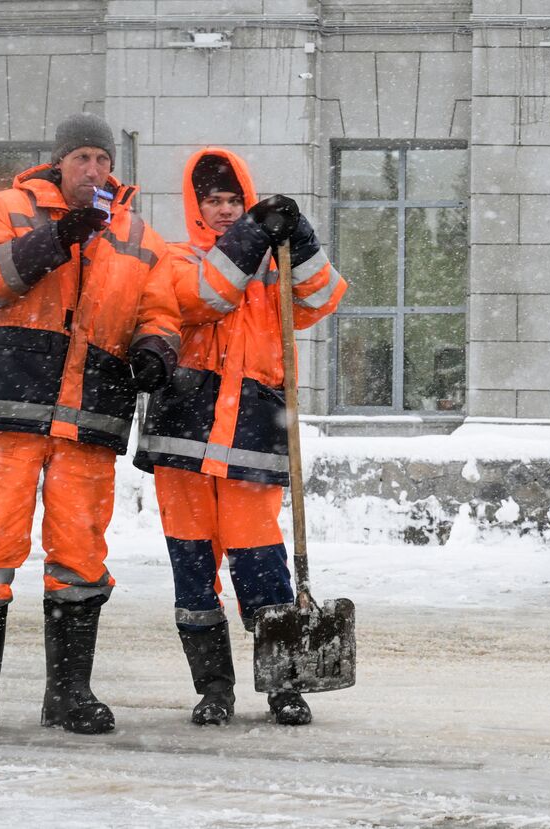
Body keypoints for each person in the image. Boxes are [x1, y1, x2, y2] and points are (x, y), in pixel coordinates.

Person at [0, 112, 181, 739]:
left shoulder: (139, 234)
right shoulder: (8, 208)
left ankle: (70, 696)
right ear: (59, 162)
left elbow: (160, 309)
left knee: (81, 553)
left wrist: (155, 348)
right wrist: (58, 237)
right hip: (14, 412)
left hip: (91, 417)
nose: (93, 169)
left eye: (102, 159)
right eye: (82, 157)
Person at [134, 147, 346, 726]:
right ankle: (214, 690)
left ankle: (284, 685)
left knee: (262, 566)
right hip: (184, 440)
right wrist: (254, 231)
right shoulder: (176, 259)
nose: (225, 210)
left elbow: (322, 297)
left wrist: (299, 236)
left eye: (234, 200)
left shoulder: (274, 266)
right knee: (193, 571)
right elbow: (205, 297)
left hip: (252, 435)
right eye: (214, 201)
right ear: (195, 206)